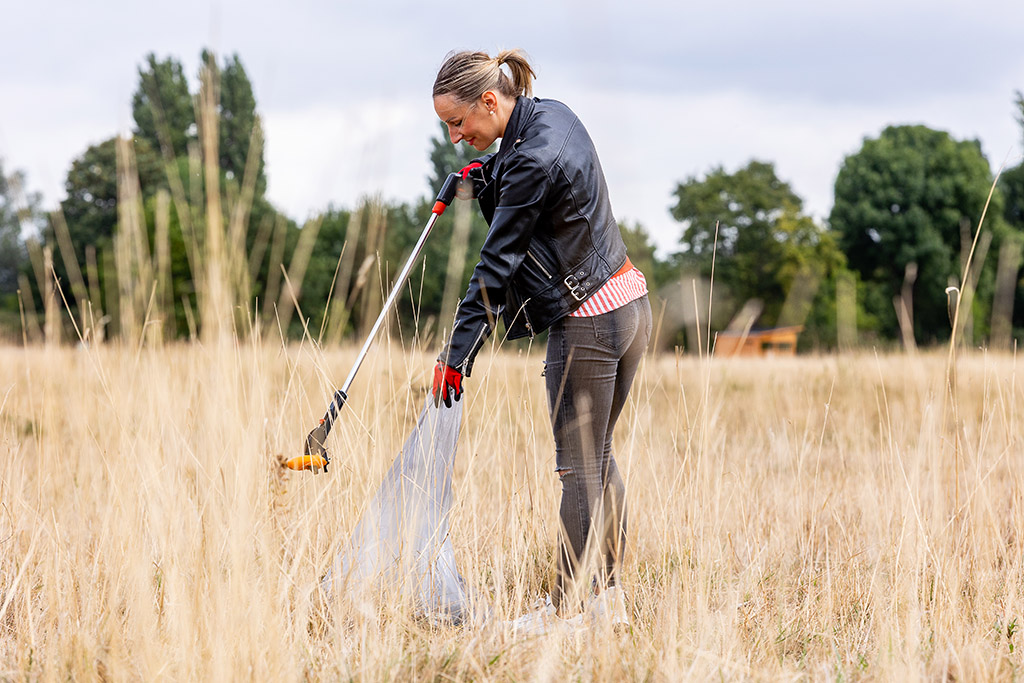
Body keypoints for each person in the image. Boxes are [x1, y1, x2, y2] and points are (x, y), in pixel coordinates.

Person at [430, 49, 652, 629]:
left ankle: (564, 611)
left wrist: (457, 356)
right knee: (597, 458)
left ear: (488, 101)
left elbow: (495, 267)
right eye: (447, 128)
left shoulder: (529, 160)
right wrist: (487, 174)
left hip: (590, 325)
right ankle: (607, 603)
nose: (456, 138)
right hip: (630, 307)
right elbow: (535, 176)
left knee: (579, 468)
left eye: (459, 123)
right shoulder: (553, 114)